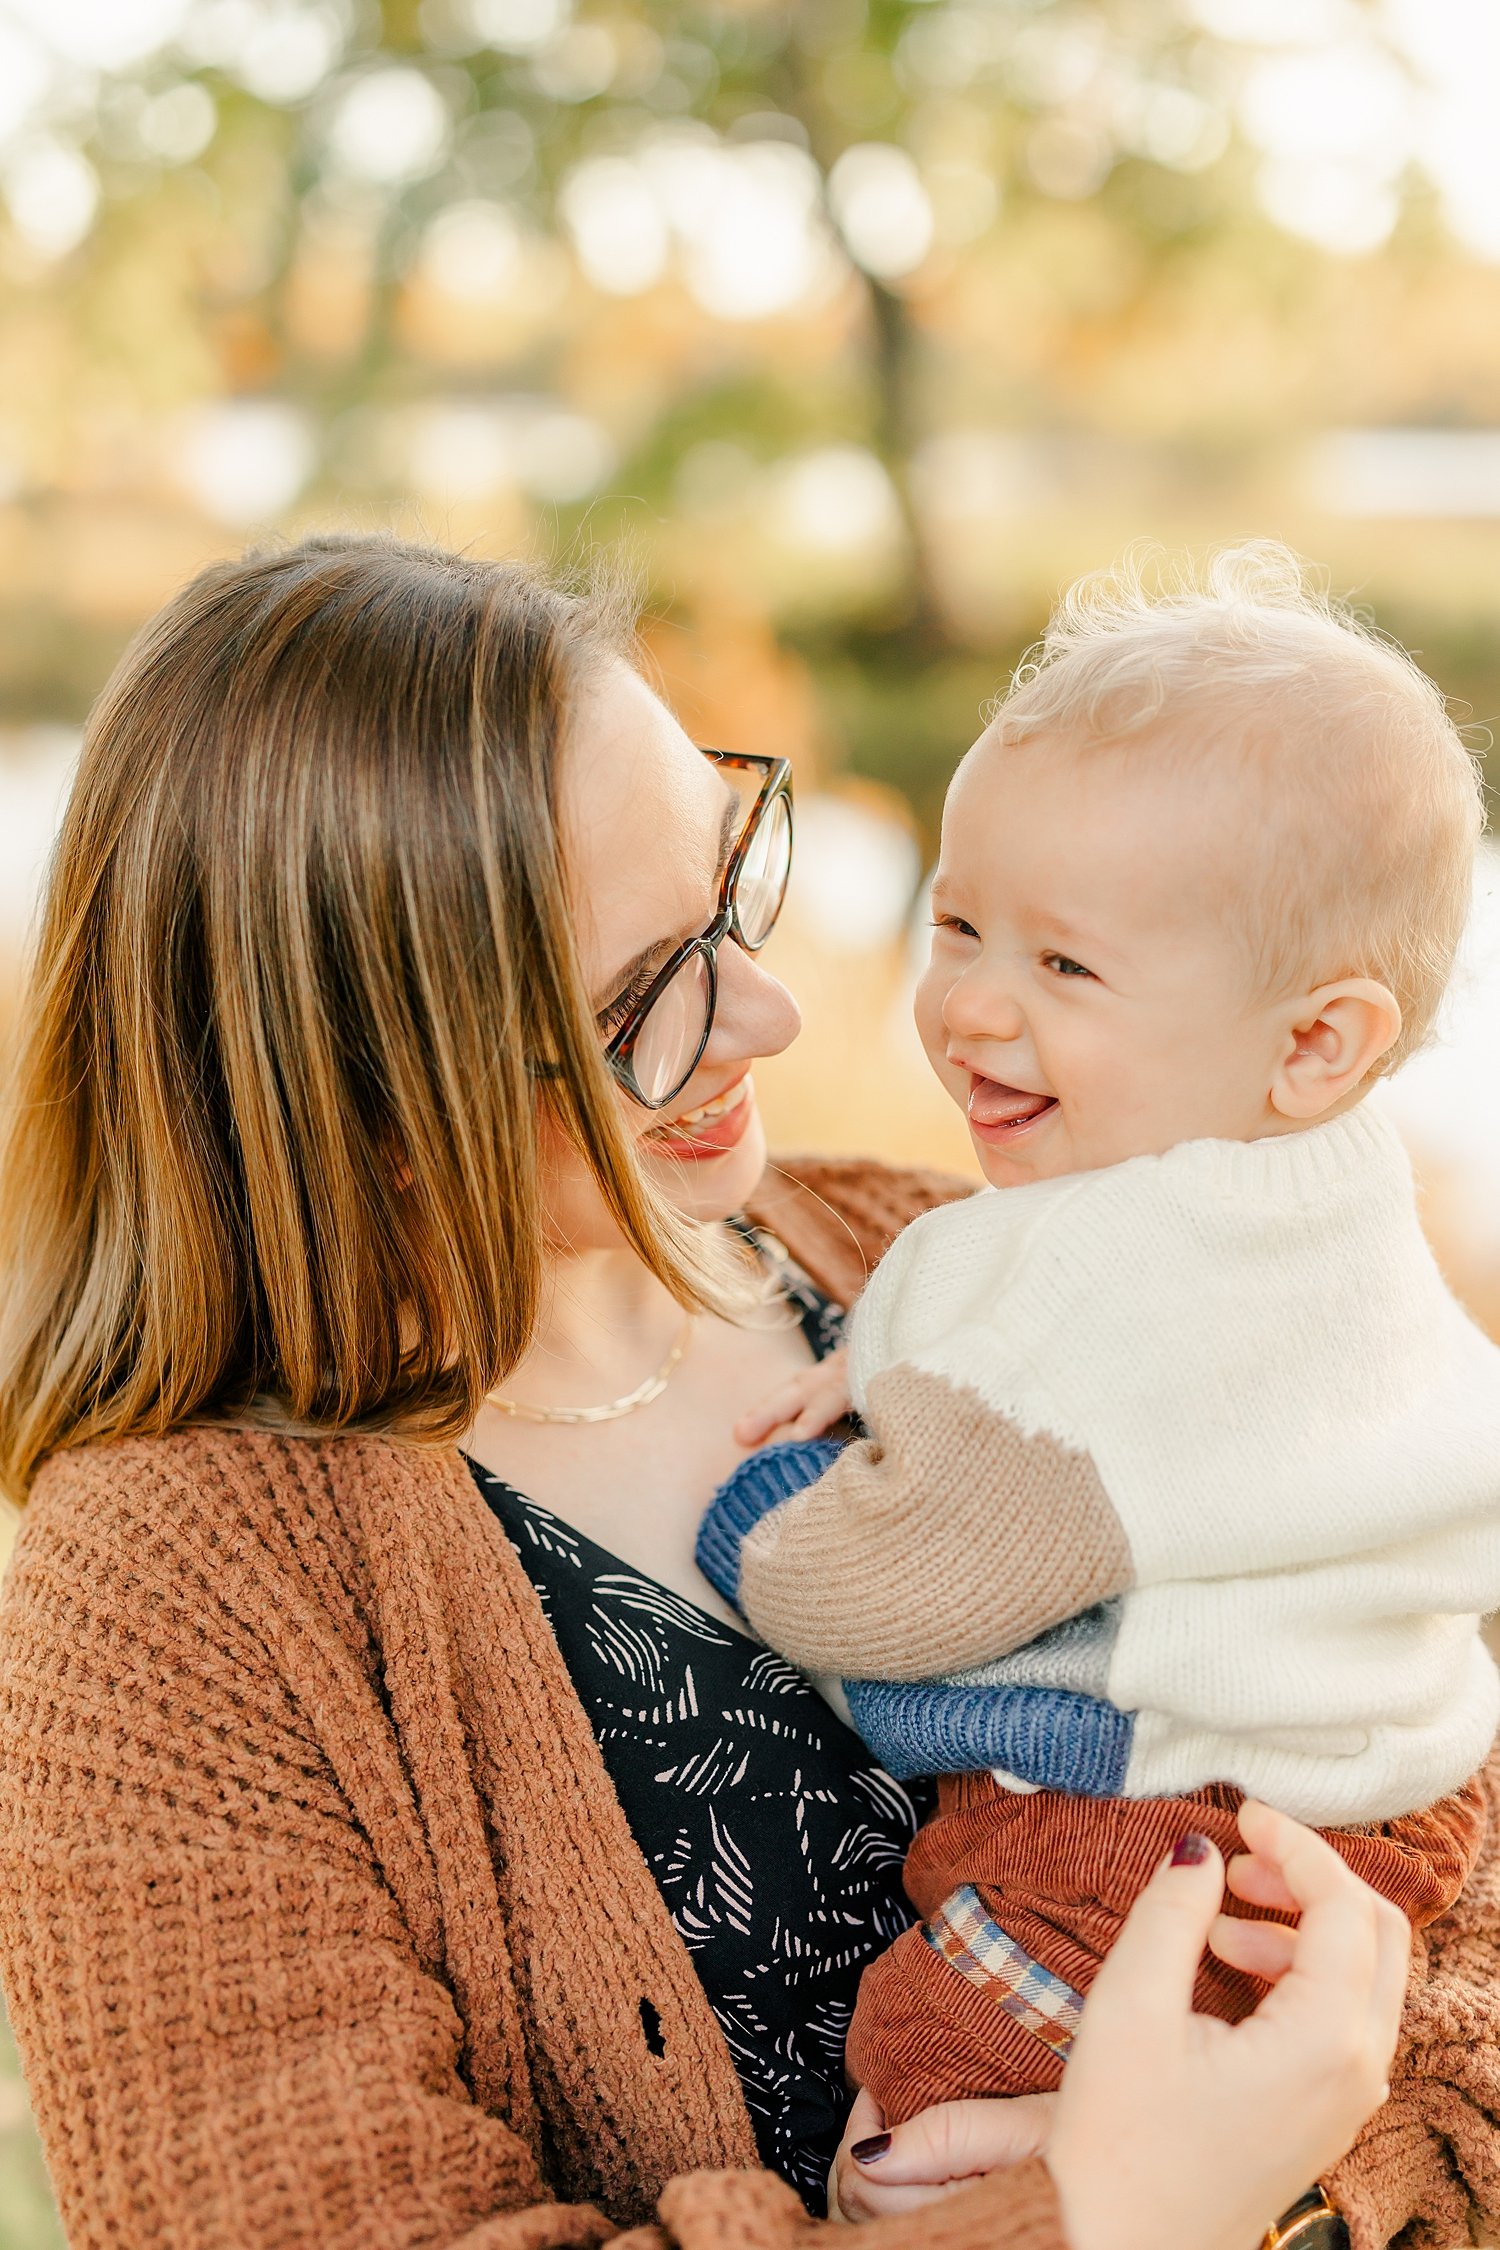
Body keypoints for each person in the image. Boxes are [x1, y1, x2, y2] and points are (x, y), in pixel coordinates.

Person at [0, 534, 1490, 2250]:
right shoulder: (173, 1599)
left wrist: (1325, 2173)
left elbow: (1435, 1822)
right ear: (369, 1079)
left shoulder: (942, 1252)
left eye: (730, 888)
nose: (771, 1012)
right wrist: (1117, 2215)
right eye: (647, 995)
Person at [694, 544, 1500, 2127]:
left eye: (1066, 963)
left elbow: (895, 1582)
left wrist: (750, 1527)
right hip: (1395, 1799)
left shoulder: (1096, 1288)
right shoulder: (1330, 1208)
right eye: (960, 925)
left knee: (934, 2070)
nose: (974, 1009)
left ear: (1317, 1041)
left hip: (1155, 1835)